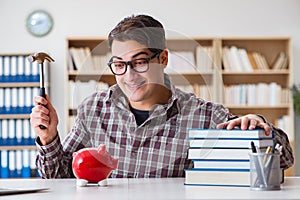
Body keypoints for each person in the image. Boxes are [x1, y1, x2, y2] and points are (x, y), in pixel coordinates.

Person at [30, 14, 294, 178]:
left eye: (140, 62)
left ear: (163, 59)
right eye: (119, 64)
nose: (129, 75)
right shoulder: (94, 109)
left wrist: (258, 126)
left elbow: (283, 159)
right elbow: (58, 176)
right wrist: (49, 137)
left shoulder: (203, 114)